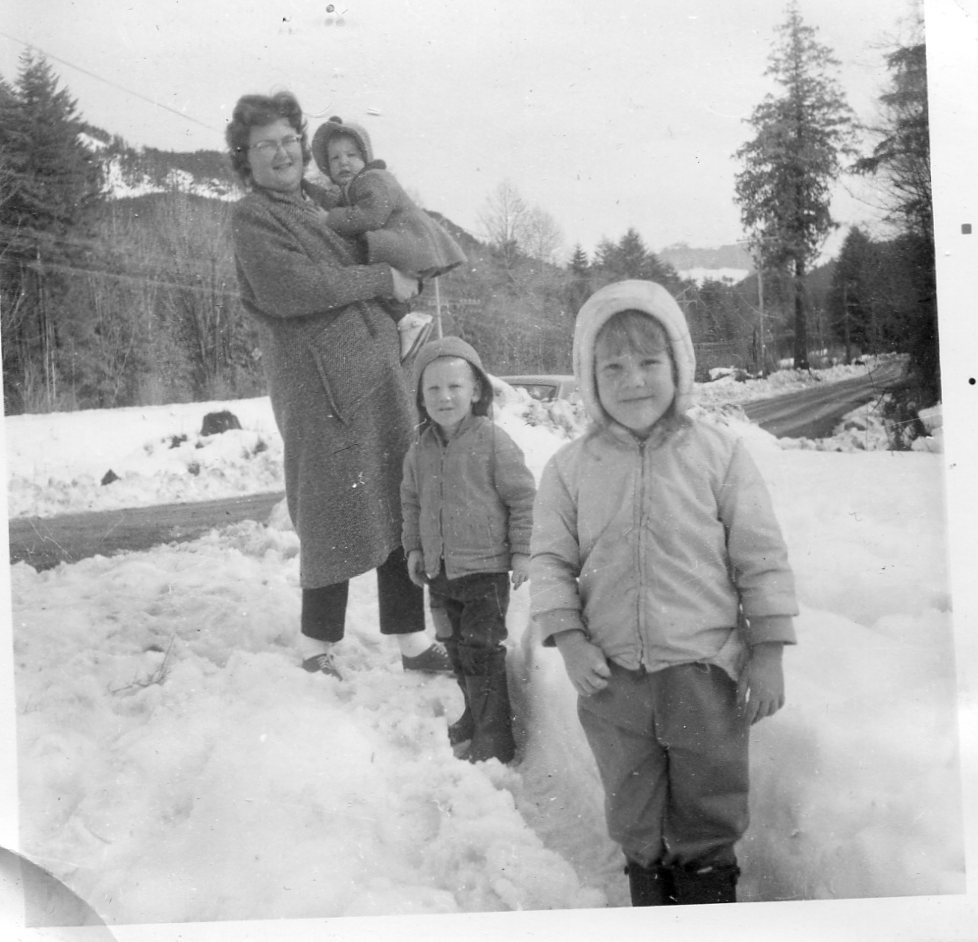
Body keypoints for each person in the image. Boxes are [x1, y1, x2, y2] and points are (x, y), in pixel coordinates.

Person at [530, 280, 798, 905]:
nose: (633, 381)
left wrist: (769, 651)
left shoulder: (719, 455)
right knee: (632, 806)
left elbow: (760, 557)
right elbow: (549, 562)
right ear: (589, 377)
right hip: (612, 678)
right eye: (612, 367)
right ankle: (649, 897)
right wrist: (569, 640)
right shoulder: (568, 469)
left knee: (709, 802)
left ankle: (706, 899)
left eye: (650, 362)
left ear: (679, 365)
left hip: (704, 674)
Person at [226, 91, 453, 681]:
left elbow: (385, 227)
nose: (282, 153)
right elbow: (293, 287)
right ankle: (315, 646)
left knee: (397, 503)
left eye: (289, 140)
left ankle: (412, 642)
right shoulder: (253, 217)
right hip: (319, 392)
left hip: (380, 376)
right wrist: (381, 277)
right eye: (265, 145)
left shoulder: (322, 201)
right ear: (245, 157)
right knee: (329, 508)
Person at [401, 336, 536, 763]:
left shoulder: (494, 441)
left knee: (481, 651)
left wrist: (522, 551)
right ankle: (475, 717)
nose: (444, 397)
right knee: (456, 651)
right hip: (439, 573)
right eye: (433, 389)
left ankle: (495, 737)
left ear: (476, 390)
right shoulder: (418, 450)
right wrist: (414, 549)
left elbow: (523, 498)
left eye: (454, 386)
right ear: (420, 398)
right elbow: (411, 503)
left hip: (484, 573)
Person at [311, 116, 466, 360]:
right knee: (386, 288)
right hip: (400, 245)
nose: (343, 162)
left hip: (409, 243)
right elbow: (334, 201)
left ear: (366, 157)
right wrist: (308, 189)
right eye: (335, 158)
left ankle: (409, 323)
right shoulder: (354, 186)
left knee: (383, 280)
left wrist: (329, 219)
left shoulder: (375, 179)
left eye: (351, 155)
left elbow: (369, 216)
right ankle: (405, 324)